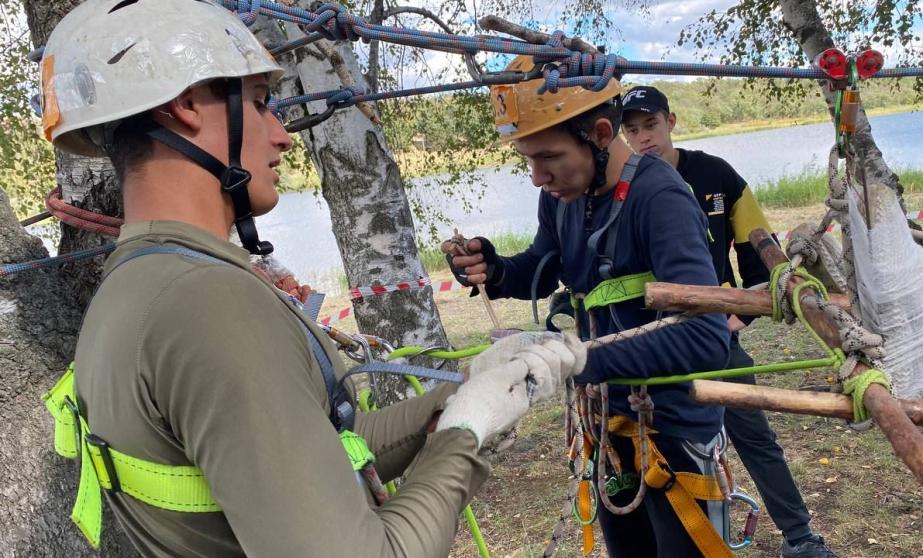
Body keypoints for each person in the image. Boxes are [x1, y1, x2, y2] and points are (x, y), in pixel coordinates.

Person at [41, 1, 585, 556]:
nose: (282, 135)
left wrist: (468, 389)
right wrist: (462, 438)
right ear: (185, 104)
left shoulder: (136, 285)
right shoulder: (206, 306)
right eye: (258, 104)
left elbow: (324, 444)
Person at [446, 56, 732, 557]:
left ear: (601, 133)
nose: (538, 176)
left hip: (672, 429)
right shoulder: (563, 195)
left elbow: (704, 335)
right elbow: (543, 264)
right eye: (528, 160)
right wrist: (494, 271)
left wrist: (578, 357)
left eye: (549, 157)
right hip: (607, 425)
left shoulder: (659, 198)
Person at [620, 85, 839, 558]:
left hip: (715, 338)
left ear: (671, 122)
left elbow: (763, 266)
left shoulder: (718, 177)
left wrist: (732, 321)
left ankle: (800, 538)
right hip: (653, 346)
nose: (643, 139)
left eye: (651, 126)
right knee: (663, 451)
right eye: (632, 130)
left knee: (754, 437)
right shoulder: (624, 189)